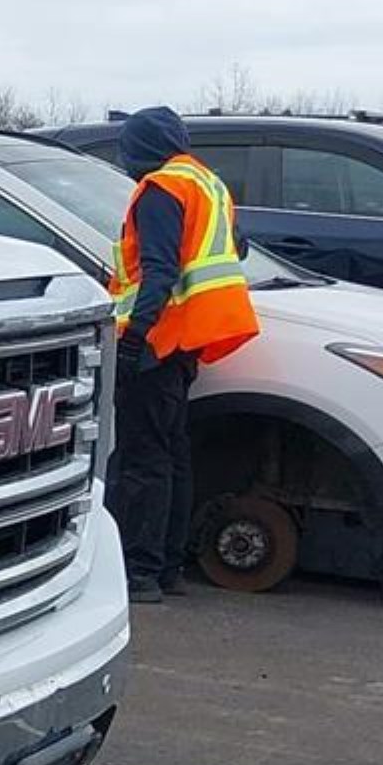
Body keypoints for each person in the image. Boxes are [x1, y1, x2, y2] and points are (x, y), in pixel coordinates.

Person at [105, 106, 260, 602]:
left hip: (157, 339)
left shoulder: (160, 190)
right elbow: (237, 247)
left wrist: (135, 338)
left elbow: (158, 270)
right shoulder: (208, 183)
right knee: (171, 456)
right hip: (187, 340)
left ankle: (137, 571)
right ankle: (167, 567)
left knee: (140, 459)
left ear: (141, 147)